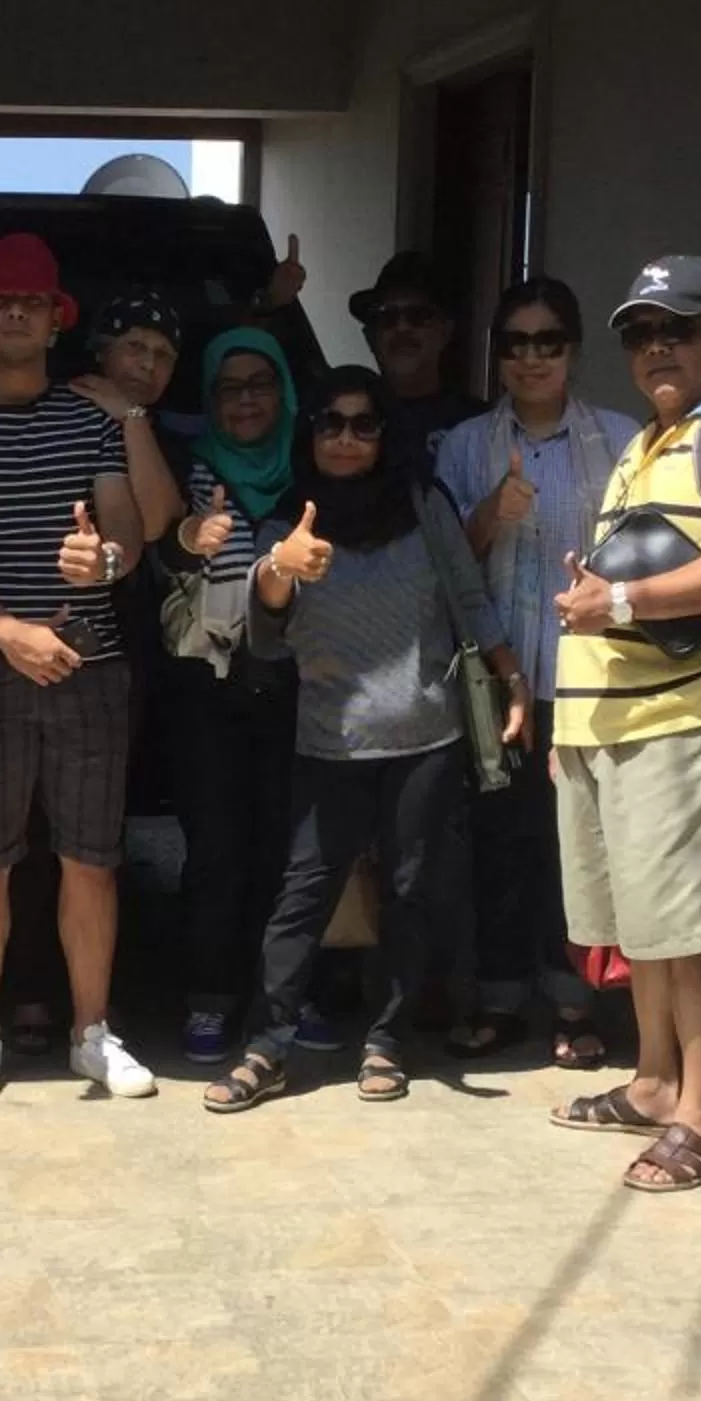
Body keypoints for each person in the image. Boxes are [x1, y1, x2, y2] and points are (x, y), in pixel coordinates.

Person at [202, 367, 523, 1112]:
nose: (346, 439)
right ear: (307, 434)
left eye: (364, 424)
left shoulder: (421, 502)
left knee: (411, 893)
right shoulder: (288, 521)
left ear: (387, 435)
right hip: (329, 743)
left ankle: (386, 1040)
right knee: (304, 895)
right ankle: (267, 1044)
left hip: (426, 736)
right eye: (330, 424)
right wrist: (280, 571)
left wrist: (512, 677)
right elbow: (266, 632)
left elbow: (467, 598)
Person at [549, 256, 701, 1190]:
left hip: (676, 719)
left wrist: (619, 605)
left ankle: (700, 1112)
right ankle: (652, 1082)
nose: (657, 346)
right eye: (641, 332)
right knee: (638, 924)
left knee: (688, 928)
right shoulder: (652, 440)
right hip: (606, 725)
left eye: (678, 329)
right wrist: (573, 727)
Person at [0, 233, 155, 1103]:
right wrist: (7, 629)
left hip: (92, 666)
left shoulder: (91, 420)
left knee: (93, 860)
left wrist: (104, 564)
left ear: (55, 322)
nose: (16, 313)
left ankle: (93, 1032)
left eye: (33, 303)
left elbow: (125, 535)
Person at [434, 277, 640, 1068]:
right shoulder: (463, 445)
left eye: (547, 340)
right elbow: (445, 570)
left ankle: (573, 1001)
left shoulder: (620, 440)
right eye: (515, 342)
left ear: (574, 350)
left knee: (578, 848)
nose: (531, 357)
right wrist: (492, 514)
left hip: (591, 682)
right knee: (499, 845)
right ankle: (495, 996)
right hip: (496, 681)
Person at [155, 325, 301, 1065]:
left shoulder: (310, 463)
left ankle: (282, 1002)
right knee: (216, 847)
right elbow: (157, 541)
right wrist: (191, 532)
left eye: (260, 384)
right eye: (229, 388)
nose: (246, 401)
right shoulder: (187, 464)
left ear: (284, 389)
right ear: (208, 399)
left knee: (287, 845)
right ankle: (209, 1000)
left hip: (296, 680)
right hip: (205, 683)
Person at [350, 251, 484, 465]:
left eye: (418, 316)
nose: (402, 328)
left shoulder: (481, 428)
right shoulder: (345, 423)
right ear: (370, 338)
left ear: (445, 332)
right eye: (388, 318)